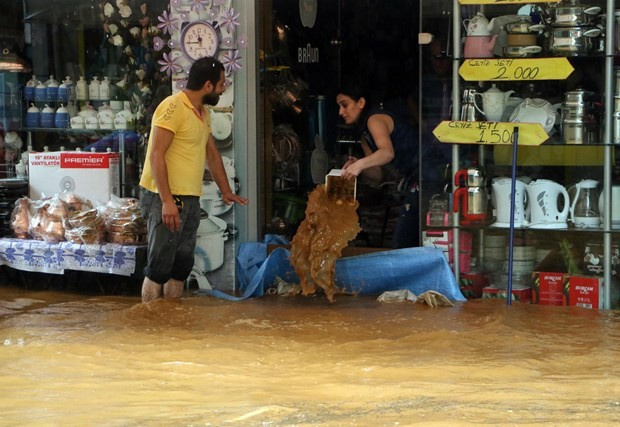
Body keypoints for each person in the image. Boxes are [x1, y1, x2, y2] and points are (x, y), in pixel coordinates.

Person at [139, 57, 248, 303]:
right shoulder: (173, 107)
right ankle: (149, 329)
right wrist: (167, 201)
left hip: (190, 199)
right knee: (158, 269)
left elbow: (211, 153)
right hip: (164, 198)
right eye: (221, 84)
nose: (223, 89)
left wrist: (226, 190)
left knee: (181, 268)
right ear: (208, 86)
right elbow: (156, 155)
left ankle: (173, 326)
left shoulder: (203, 112)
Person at [337, 80, 420, 248]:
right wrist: (358, 164)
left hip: (424, 174)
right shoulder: (364, 134)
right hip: (413, 180)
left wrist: (360, 165)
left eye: (345, 105)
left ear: (361, 103)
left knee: (403, 240)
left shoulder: (374, 120)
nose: (341, 112)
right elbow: (377, 174)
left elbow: (387, 153)